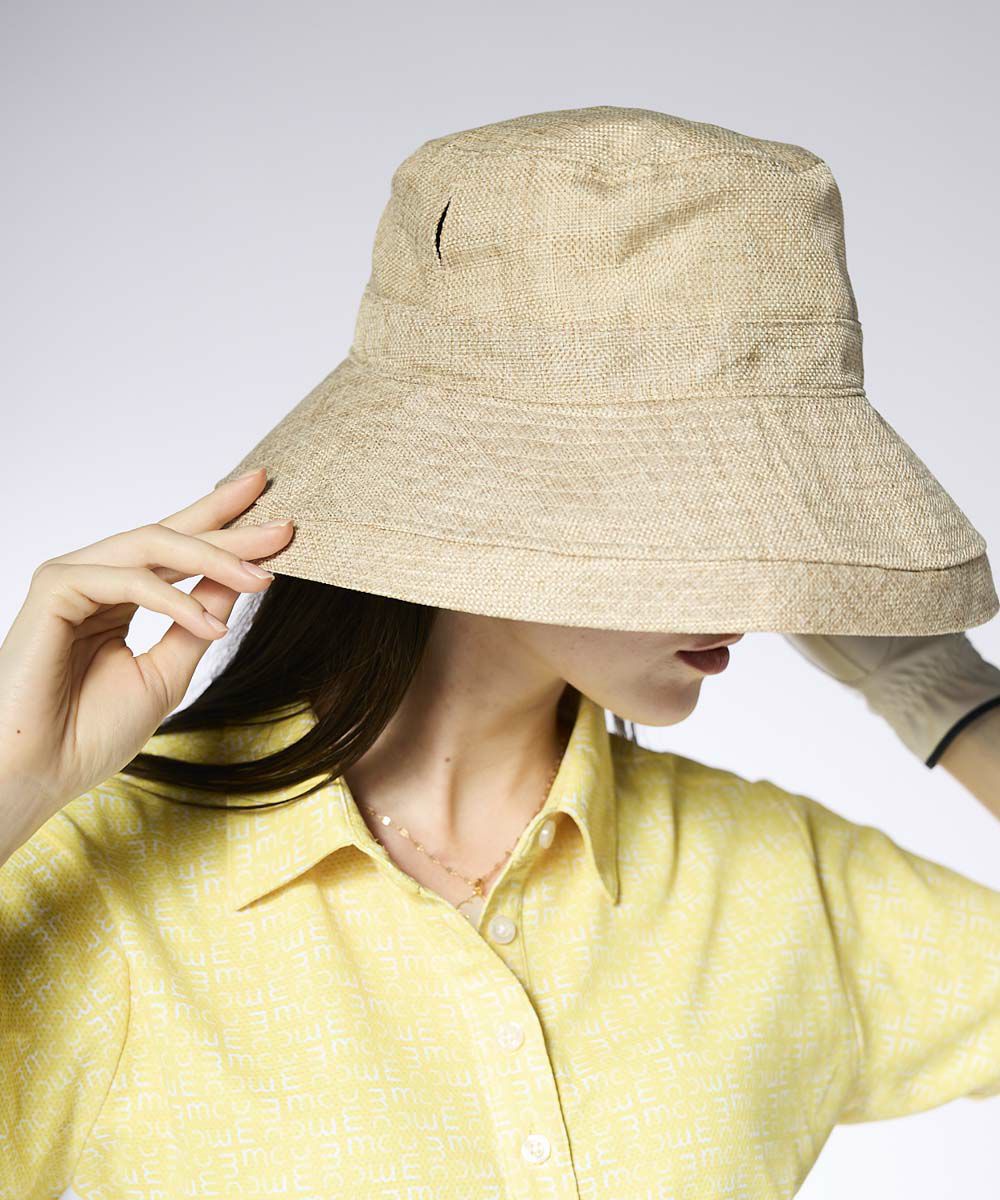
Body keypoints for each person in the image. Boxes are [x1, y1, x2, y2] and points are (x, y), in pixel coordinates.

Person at [3, 105, 1000, 1199]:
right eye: (698, 505)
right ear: (489, 493)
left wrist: (944, 695)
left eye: (768, 504)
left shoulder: (771, 884)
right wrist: (12, 784)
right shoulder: (100, 883)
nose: (752, 580)